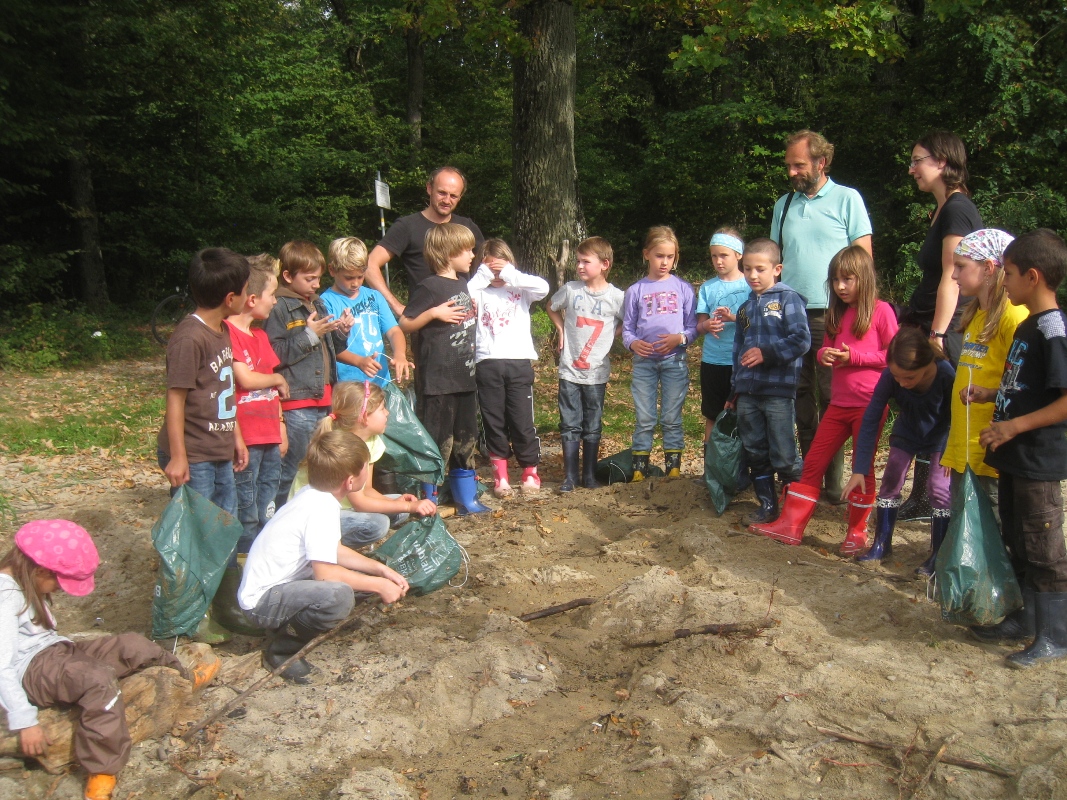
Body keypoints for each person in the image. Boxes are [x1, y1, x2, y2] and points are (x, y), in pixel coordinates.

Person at [1, 520, 217, 800]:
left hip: (55, 651)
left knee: (132, 645)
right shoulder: (5, 597)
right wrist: (25, 721)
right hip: (31, 670)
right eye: (58, 583)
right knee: (97, 679)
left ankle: (183, 681)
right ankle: (102, 769)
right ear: (40, 570)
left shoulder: (25, 581)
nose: (58, 590)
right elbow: (2, 665)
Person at [963, 229, 1067, 668]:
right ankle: (1027, 620)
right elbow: (1028, 387)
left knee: (1044, 548)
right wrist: (990, 394)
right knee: (1018, 539)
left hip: (1036, 460)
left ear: (1033, 276)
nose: (1003, 281)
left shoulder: (1053, 330)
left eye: (1008, 273)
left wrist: (1013, 427)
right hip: (1012, 457)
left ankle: (1055, 635)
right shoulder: (1027, 325)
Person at [750, 246, 897, 550]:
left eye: (847, 279)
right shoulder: (836, 313)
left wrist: (854, 357)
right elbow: (823, 349)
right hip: (838, 404)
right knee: (814, 462)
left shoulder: (882, 311)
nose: (840, 287)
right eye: (835, 280)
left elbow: (893, 356)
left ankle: (856, 532)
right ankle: (791, 526)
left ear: (865, 279)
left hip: (869, 405)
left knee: (863, 466)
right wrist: (824, 354)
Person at [238, 429, 410, 684]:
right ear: (349, 481)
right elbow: (325, 574)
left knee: (357, 581)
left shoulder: (314, 495)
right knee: (338, 596)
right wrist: (379, 585)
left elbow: (334, 550)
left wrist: (379, 570)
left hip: (279, 588)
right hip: (262, 602)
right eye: (366, 467)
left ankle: (292, 625)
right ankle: (283, 651)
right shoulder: (321, 508)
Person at [770, 130, 873, 502]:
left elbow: (863, 260)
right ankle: (809, 476)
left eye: (799, 165)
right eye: (789, 166)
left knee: (833, 397)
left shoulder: (848, 199)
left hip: (833, 313)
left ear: (821, 162)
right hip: (789, 314)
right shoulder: (783, 204)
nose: (792, 172)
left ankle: (833, 482)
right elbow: (773, 260)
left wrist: (860, 311)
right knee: (798, 395)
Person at [898, 131, 984, 522]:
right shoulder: (943, 210)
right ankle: (922, 498)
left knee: (943, 411)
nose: (912, 169)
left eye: (918, 160)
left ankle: (941, 501)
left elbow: (954, 276)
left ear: (943, 162)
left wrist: (937, 335)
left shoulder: (957, 209)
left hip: (948, 328)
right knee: (926, 407)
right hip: (930, 322)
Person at [935, 230, 1027, 575]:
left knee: (996, 531)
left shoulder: (1013, 318)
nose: (954, 275)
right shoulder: (974, 314)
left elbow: (1023, 385)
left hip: (992, 448)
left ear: (989, 268)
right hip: (965, 446)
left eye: (961, 266)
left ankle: (1006, 593)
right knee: (971, 527)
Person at [843, 327, 955, 565]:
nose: (902, 384)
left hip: (941, 435)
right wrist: (860, 468)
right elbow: (871, 418)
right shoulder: (889, 376)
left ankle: (939, 554)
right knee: (891, 477)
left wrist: (952, 452)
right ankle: (882, 543)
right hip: (907, 431)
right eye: (897, 377)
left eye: (909, 378)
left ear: (927, 364)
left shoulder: (945, 374)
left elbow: (956, 416)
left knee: (938, 488)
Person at [399, 223, 489, 515]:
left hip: (465, 378)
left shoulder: (462, 283)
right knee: (438, 441)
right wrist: (433, 313)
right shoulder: (429, 286)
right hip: (438, 382)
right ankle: (430, 500)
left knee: (466, 437)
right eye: (468, 250)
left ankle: (466, 499)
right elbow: (405, 323)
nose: (473, 255)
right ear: (449, 253)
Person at [288, 381, 438, 549]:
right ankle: (327, 549)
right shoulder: (343, 447)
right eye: (382, 409)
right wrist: (409, 506)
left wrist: (400, 505)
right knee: (378, 524)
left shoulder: (372, 441)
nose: (387, 413)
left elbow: (366, 489)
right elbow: (360, 503)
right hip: (315, 515)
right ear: (365, 417)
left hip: (345, 505)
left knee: (399, 511)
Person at [157, 247, 251, 513]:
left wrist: (236, 437)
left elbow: (223, 388)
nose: (248, 296)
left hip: (219, 449)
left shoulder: (222, 329)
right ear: (230, 298)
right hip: (195, 454)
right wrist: (178, 456)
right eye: (246, 290)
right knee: (198, 525)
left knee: (224, 521)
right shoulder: (190, 338)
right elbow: (175, 399)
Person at [727, 238, 811, 524]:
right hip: (748, 393)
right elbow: (738, 352)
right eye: (747, 269)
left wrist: (767, 353)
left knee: (784, 453)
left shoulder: (789, 299)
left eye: (760, 269)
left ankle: (794, 510)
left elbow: (801, 340)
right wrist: (734, 391)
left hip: (778, 391)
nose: (753, 275)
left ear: (777, 269)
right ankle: (767, 505)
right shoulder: (744, 309)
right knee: (755, 450)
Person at [266, 240, 346, 510]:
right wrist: (310, 335)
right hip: (298, 401)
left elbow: (332, 349)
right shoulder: (278, 307)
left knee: (316, 465)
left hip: (323, 397)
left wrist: (341, 331)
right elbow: (273, 354)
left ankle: (307, 513)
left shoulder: (318, 304)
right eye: (309, 279)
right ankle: (274, 515)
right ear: (288, 276)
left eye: (318, 278)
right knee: (289, 466)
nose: (316, 284)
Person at [467, 238, 550, 497]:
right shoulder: (479, 290)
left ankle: (530, 472)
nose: (496, 276)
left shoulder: (520, 288)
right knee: (494, 422)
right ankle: (500, 476)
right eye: (490, 270)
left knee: (522, 421)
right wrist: (483, 275)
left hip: (519, 362)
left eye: (500, 269)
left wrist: (510, 274)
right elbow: (463, 295)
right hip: (487, 362)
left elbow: (544, 288)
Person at [547, 236, 625, 492]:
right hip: (570, 369)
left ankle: (589, 475)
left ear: (604, 264)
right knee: (570, 423)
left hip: (596, 372)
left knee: (592, 424)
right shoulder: (571, 290)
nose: (579, 266)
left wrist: (612, 336)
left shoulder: (617, 297)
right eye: (578, 261)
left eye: (585, 261)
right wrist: (561, 329)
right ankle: (570, 476)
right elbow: (551, 307)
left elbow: (629, 321)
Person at [225, 255, 290, 560]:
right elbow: (245, 378)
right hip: (247, 437)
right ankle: (243, 557)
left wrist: (281, 426)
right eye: (272, 294)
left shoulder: (261, 336)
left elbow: (273, 394)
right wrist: (277, 377)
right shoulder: (228, 333)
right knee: (246, 502)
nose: (275, 301)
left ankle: (266, 554)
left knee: (268, 499)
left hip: (269, 434)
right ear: (252, 299)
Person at [622, 226, 697, 480]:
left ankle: (673, 467)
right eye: (659, 256)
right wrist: (633, 344)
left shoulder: (683, 288)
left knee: (671, 416)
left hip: (674, 361)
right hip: (644, 363)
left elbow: (693, 327)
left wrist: (680, 339)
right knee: (645, 416)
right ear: (646, 254)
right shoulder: (636, 290)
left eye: (670, 257)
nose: (664, 262)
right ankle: (639, 467)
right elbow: (627, 329)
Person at [364, 166, 485, 319]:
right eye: (442, 193)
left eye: (453, 196)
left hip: (465, 322)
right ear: (429, 188)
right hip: (423, 324)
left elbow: (489, 265)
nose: (447, 200)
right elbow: (369, 265)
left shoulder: (467, 227)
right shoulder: (407, 226)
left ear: (460, 197)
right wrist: (397, 306)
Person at [322, 237, 412, 386]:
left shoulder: (374, 296)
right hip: (348, 386)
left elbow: (393, 331)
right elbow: (329, 347)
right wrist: (359, 361)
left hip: (379, 382)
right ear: (332, 270)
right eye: (349, 278)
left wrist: (400, 355)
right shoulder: (326, 302)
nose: (355, 283)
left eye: (360, 276)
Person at [695, 228, 750, 442]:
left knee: (744, 414)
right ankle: (711, 459)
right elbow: (700, 325)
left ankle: (741, 459)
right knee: (713, 414)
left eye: (724, 255)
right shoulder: (707, 287)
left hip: (742, 361)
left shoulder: (750, 285)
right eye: (714, 256)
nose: (718, 261)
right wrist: (707, 325)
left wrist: (733, 318)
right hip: (713, 360)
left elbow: (758, 323)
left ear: (738, 254)